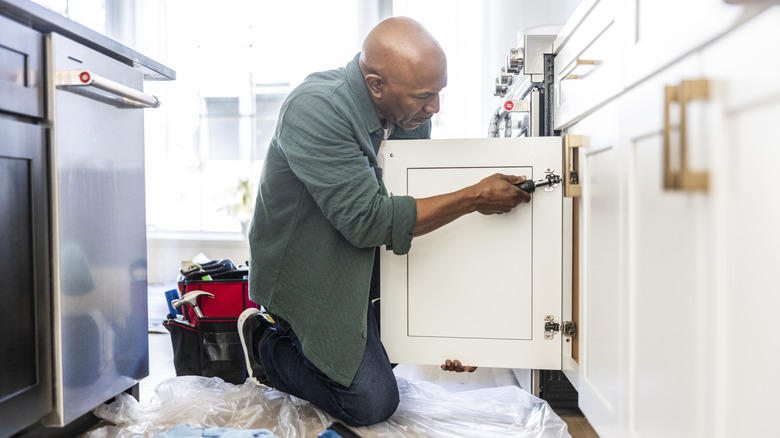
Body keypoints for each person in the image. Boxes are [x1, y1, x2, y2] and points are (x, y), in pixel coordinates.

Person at [238, 16, 531, 427]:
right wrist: (473, 197)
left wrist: (449, 333)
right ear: (376, 84)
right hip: (309, 272)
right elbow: (370, 223)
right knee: (370, 402)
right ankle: (267, 344)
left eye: (439, 92)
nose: (435, 108)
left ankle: (354, 343)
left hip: (366, 265)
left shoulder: (411, 118)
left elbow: (409, 212)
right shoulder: (316, 108)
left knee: (387, 365)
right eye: (424, 96)